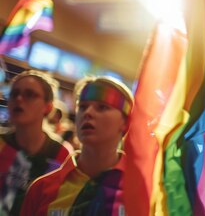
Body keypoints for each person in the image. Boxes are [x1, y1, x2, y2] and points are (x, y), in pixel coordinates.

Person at [20, 76, 133, 215]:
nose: (88, 113)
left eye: (102, 107)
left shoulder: (139, 192)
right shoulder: (42, 188)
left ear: (125, 123)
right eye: (83, 107)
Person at [0, 70, 70, 214]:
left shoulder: (62, 156)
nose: (19, 99)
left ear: (48, 107)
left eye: (30, 94)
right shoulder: (1, 144)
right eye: (14, 94)